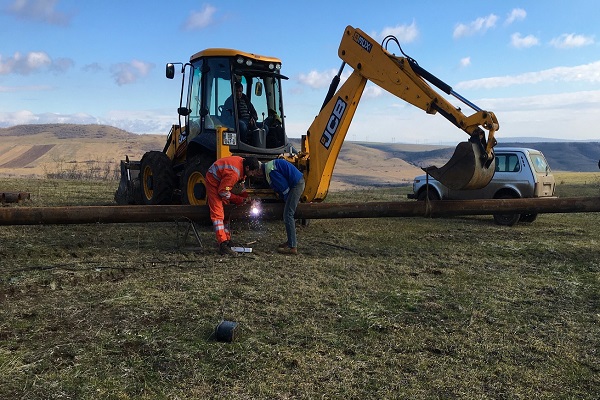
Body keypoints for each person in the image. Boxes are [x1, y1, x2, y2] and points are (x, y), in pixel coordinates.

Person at [206, 156, 261, 255]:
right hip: (213, 181)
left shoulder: (242, 166)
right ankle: (222, 243)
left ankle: (227, 239)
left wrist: (247, 198)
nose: (252, 175)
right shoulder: (233, 174)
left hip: (223, 182)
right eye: (252, 172)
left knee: (226, 213)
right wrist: (239, 199)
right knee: (218, 214)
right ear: (247, 168)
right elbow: (223, 192)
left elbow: (240, 186)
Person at [261, 159, 305, 255]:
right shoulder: (269, 166)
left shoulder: (270, 171)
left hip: (296, 185)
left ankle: (292, 247)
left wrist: (287, 201)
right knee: (288, 213)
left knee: (288, 214)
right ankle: (290, 241)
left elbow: (285, 189)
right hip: (297, 182)